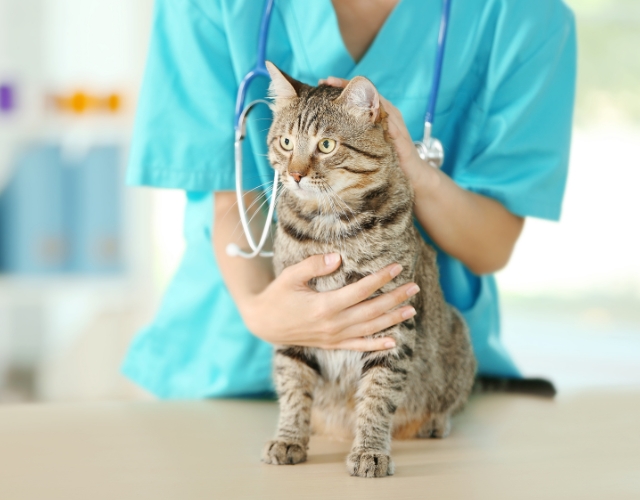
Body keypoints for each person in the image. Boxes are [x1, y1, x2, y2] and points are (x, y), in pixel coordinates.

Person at [122, 0, 576, 398]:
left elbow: (492, 244)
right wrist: (259, 311)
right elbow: (228, 197)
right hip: (226, 365)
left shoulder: (527, 16)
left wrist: (415, 171)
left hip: (409, 374)